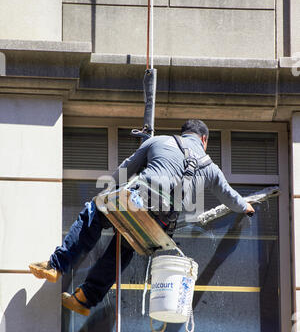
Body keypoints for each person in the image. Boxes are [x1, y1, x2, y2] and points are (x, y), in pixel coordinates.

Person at [29, 119, 255, 316]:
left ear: (183, 132)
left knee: (94, 212)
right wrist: (246, 207)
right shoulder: (211, 167)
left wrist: (110, 194)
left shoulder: (159, 141)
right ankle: (84, 299)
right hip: (160, 225)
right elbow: (230, 196)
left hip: (138, 201)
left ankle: (57, 266)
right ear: (204, 139)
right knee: (123, 246)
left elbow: (125, 169)